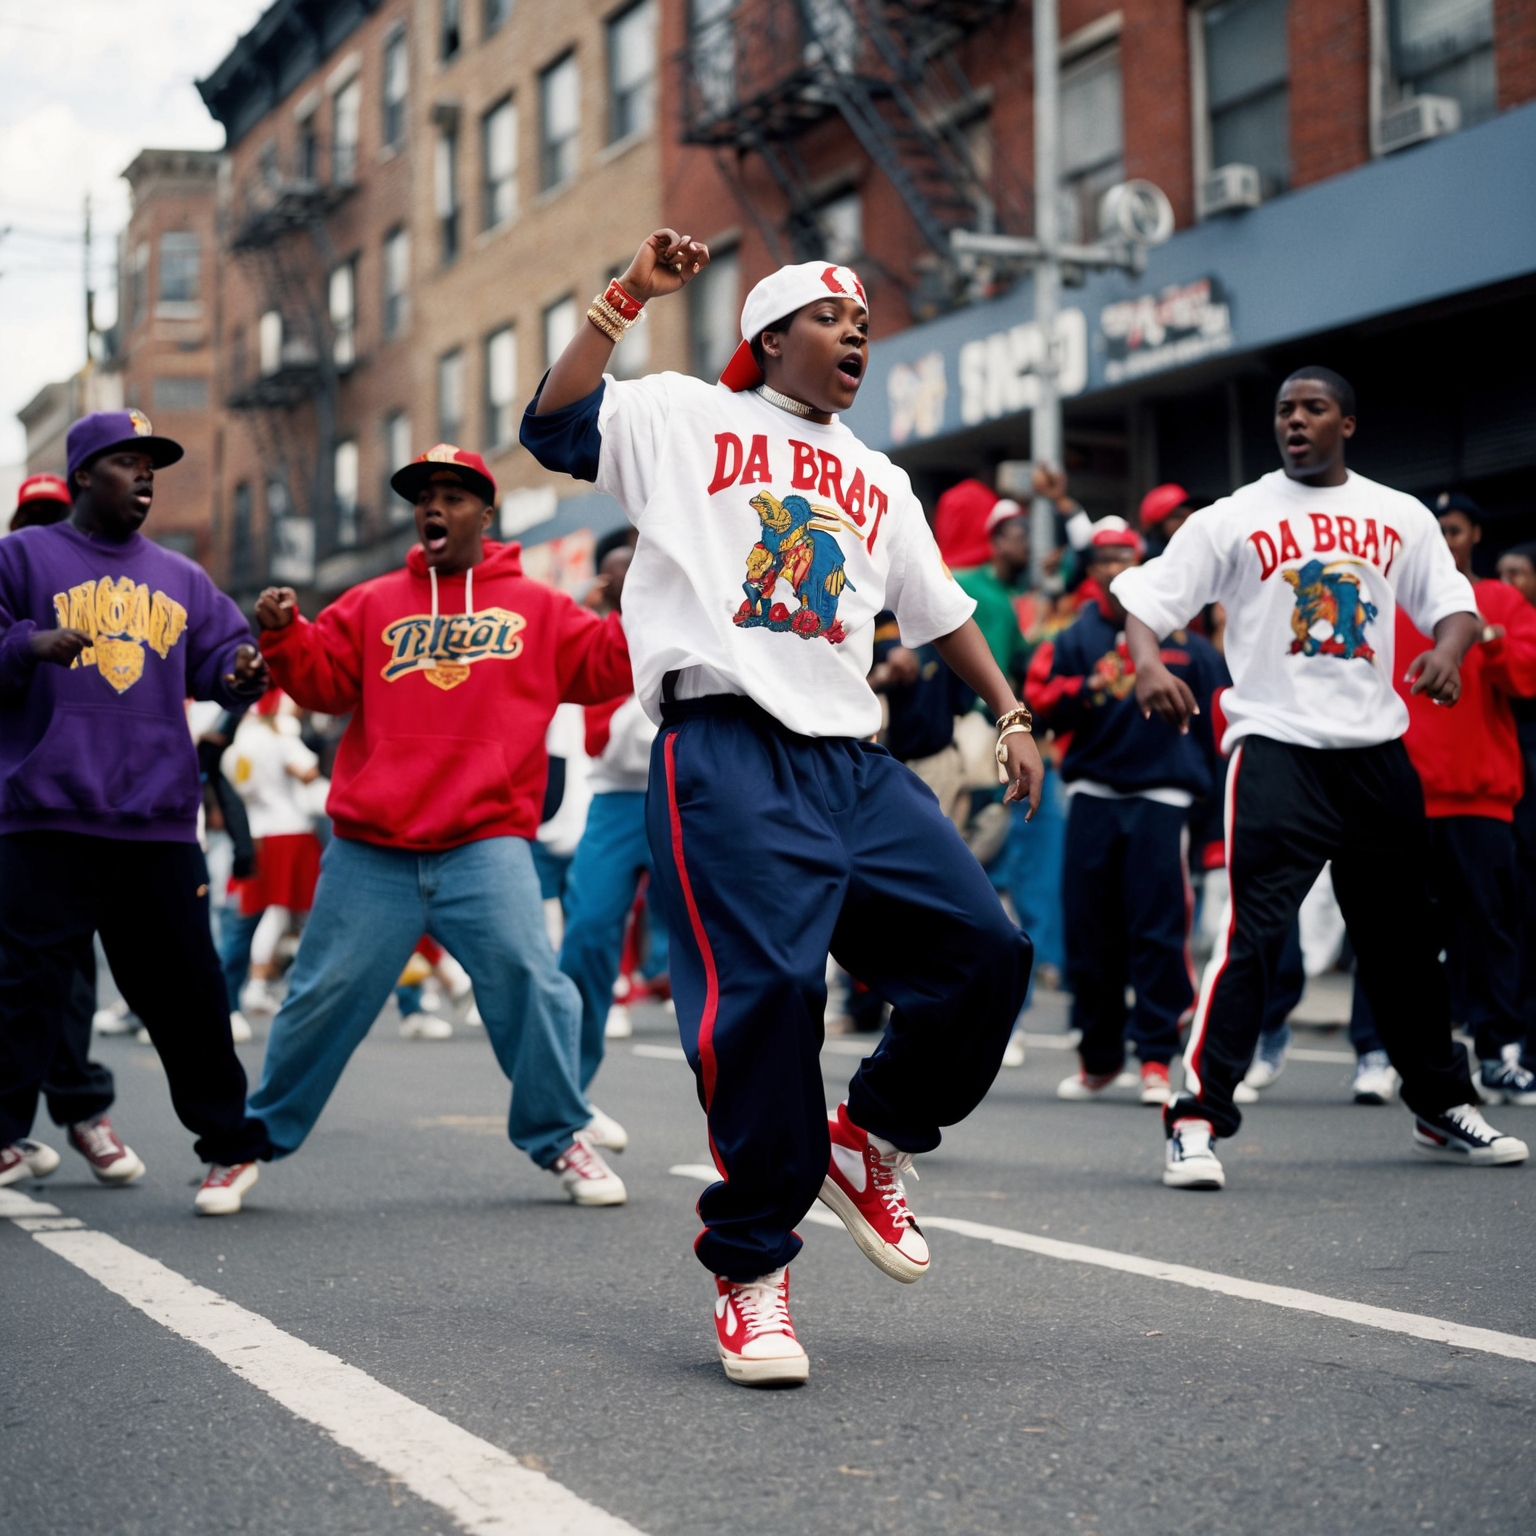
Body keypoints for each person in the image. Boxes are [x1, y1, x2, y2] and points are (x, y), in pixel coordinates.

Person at [523, 232, 1041, 1388]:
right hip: (726, 751)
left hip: (851, 763)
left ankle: (872, 1137)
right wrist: (623, 298)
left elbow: (937, 607)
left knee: (987, 954)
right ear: (768, 339)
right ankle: (753, 1271)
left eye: (865, 322)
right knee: (764, 1007)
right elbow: (554, 423)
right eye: (830, 317)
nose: (856, 332)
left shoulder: (879, 475)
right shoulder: (684, 418)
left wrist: (1007, 709)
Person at [1111, 367, 1527, 1188]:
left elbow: (1454, 603)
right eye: (1284, 411)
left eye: (1313, 409)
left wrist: (1445, 652)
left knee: (1405, 942)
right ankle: (1195, 1121)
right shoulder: (1236, 516)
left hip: (1375, 754)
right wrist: (1149, 664)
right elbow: (1147, 603)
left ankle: (1440, 1103)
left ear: (1349, 424)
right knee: (1255, 937)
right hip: (1277, 747)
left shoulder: (1397, 515)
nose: (1295, 421)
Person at [247, 443, 632, 1206]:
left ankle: (560, 1136)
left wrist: (645, 594)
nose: (435, 507)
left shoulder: (540, 606)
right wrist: (288, 635)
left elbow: (608, 666)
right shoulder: (370, 602)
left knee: (532, 982)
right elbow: (322, 684)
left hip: (484, 843)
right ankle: (251, 1139)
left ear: (485, 515)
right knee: (320, 996)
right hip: (372, 849)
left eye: (455, 496)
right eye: (424, 496)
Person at [0, 411, 275, 1212]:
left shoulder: (181, 577)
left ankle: (230, 1150)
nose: (146, 477)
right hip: (46, 817)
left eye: (153, 466)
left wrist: (242, 670)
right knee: (21, 994)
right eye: (128, 463)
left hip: (154, 824)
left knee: (186, 995)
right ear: (84, 474)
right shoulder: (21, 557)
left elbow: (222, 659)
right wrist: (28, 646)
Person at [1026, 525, 1229, 1107]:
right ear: (1089, 568)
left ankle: (1156, 1060)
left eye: (1126, 555)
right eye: (1104, 556)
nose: (1115, 564)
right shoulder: (1071, 637)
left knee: (1158, 932)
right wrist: (1090, 686)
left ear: (1145, 564)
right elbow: (1035, 701)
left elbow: (1219, 730)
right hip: (1091, 795)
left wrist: (1215, 829)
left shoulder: (1190, 644)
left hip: (1164, 801)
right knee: (1090, 932)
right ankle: (1099, 1060)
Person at [1348, 494, 1536, 1104]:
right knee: (1386, 929)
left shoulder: (1502, 600)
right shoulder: (1384, 595)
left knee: (1488, 928)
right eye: (1435, 530)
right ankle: (1374, 1051)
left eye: (1453, 530)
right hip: (1397, 795)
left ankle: (1497, 1052)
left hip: (1480, 798)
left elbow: (1528, 678)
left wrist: (1494, 639)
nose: (1444, 540)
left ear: (1474, 534)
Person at [555, 542, 657, 1140]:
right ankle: (567, 1099)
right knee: (589, 933)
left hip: (688, 796)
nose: (632, 573)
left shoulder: (688, 611)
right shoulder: (596, 638)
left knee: (729, 942)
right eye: (619, 570)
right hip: (618, 804)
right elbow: (600, 738)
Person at [221, 690, 323, 1019]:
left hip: (255, 832)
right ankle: (257, 984)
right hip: (289, 830)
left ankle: (250, 989)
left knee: (257, 915)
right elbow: (308, 772)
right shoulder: (280, 737)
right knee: (279, 913)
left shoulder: (241, 741)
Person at [1498, 541, 1536, 1063]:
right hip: (1508, 792)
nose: (1509, 580)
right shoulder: (1488, 624)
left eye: (1520, 572)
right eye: (1503, 572)